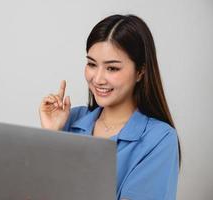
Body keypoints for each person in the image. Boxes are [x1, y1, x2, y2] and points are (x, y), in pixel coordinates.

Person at [39, 14, 181, 200]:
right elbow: (36, 189)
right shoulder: (70, 120)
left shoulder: (159, 139)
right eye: (91, 64)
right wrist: (50, 135)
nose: (97, 79)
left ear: (140, 71)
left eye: (112, 68)